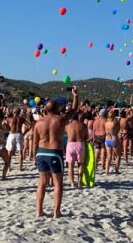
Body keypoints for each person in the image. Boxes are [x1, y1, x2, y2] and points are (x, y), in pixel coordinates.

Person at [34, 87, 78, 218]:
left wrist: (33, 157)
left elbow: (34, 142)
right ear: (57, 108)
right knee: (58, 183)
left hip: (41, 152)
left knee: (42, 183)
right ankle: (56, 212)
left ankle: (39, 211)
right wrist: (75, 95)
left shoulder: (38, 122)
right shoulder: (60, 119)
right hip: (54, 152)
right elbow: (74, 110)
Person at [65, 110, 86, 188]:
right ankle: (80, 182)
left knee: (70, 166)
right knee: (80, 164)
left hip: (70, 144)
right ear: (78, 117)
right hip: (80, 144)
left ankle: (72, 183)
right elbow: (85, 136)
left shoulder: (67, 126)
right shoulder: (83, 125)